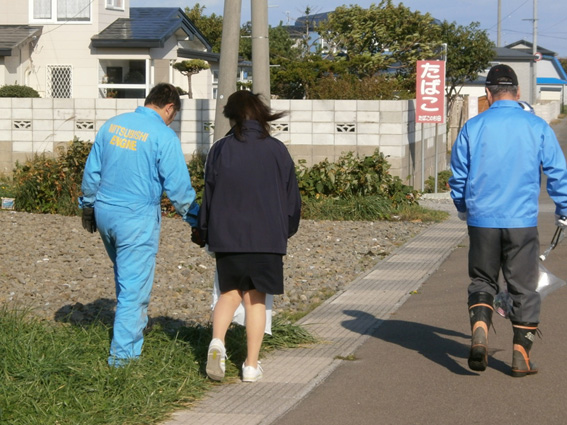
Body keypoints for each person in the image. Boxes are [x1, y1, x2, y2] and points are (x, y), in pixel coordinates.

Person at [449, 64, 567, 377]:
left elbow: (458, 176)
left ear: (487, 94)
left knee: (482, 281)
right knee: (524, 287)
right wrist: (564, 208)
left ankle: (480, 332)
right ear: (518, 93)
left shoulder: (472, 127)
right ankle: (520, 356)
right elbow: (557, 171)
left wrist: (463, 207)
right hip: (522, 221)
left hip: (482, 220)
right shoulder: (537, 126)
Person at [80, 83, 199, 367]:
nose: (172, 120)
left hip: (105, 213)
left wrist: (87, 205)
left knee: (124, 276)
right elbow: (179, 189)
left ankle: (136, 326)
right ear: (169, 107)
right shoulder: (163, 136)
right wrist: (196, 219)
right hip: (136, 218)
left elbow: (92, 171)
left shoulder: (113, 126)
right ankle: (122, 360)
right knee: (134, 287)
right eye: (174, 115)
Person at [196, 90, 301, 382]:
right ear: (259, 114)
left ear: (232, 116)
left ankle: (217, 342)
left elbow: (209, 196)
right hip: (268, 238)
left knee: (229, 294)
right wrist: (285, 231)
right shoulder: (277, 149)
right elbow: (292, 199)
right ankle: (251, 366)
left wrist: (204, 232)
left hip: (227, 237)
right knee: (256, 300)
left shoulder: (220, 149)